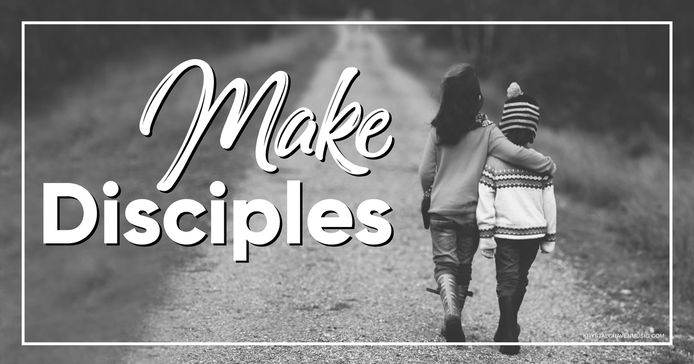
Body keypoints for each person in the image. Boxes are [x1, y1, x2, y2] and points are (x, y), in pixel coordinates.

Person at [418, 65, 556, 342]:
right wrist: (547, 164)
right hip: (471, 212)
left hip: (442, 209)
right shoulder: (488, 131)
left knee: (445, 264)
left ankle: (451, 314)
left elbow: (425, 173)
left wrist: (430, 192)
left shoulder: (438, 130)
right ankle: (453, 318)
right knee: (463, 267)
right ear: (476, 98)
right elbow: (516, 153)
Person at [476, 82, 557, 354]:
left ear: (504, 126)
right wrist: (549, 237)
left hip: (505, 233)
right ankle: (507, 326)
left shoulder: (494, 162)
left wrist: (486, 235)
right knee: (520, 279)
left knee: (507, 281)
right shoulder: (539, 163)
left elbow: (485, 199)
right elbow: (550, 203)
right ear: (532, 130)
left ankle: (508, 330)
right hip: (533, 234)